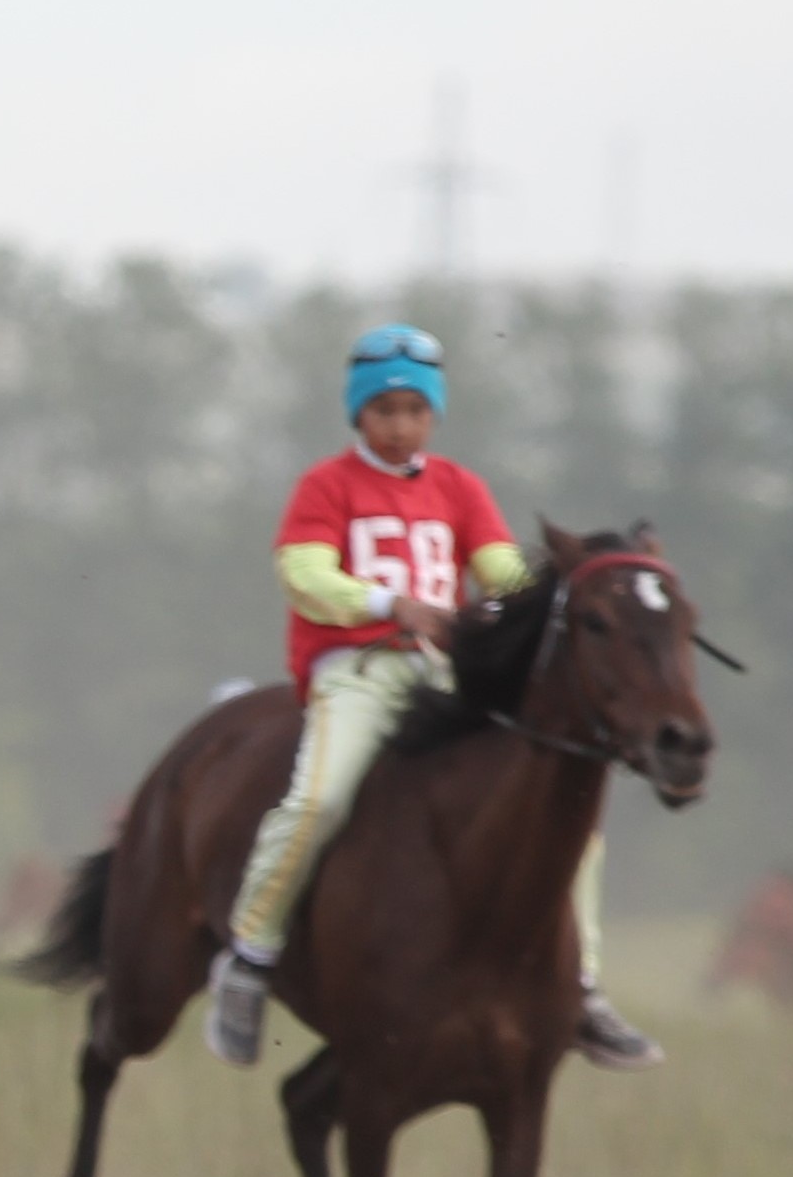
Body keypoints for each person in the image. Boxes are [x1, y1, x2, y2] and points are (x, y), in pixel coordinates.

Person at [206, 323, 658, 1071]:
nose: (400, 426)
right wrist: (394, 604)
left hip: (445, 677)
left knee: (569, 820)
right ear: (358, 414)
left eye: (416, 411)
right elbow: (305, 577)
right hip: (357, 674)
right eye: (384, 411)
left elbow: (506, 579)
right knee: (319, 801)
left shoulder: (459, 488)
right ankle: (251, 953)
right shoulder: (326, 486)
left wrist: (576, 588)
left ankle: (582, 989)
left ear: (434, 416)